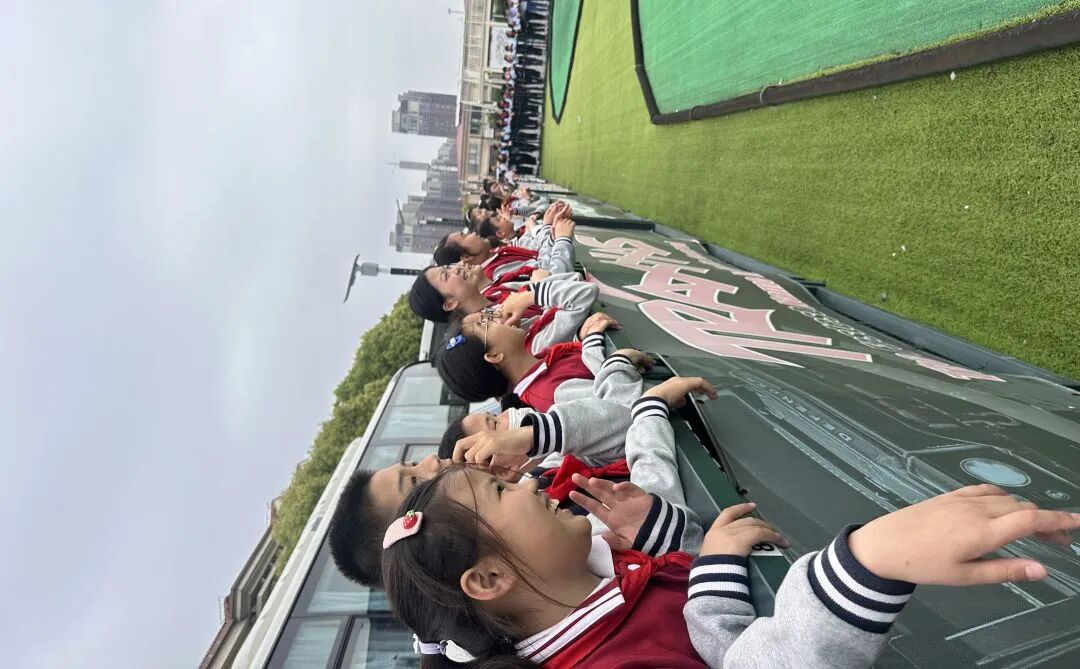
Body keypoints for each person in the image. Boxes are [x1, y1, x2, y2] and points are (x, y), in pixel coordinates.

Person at [381, 463, 1080, 667]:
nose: (530, 482)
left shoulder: (598, 585)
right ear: (489, 580)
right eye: (500, 493)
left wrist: (702, 558)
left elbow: (713, 637)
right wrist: (863, 566)